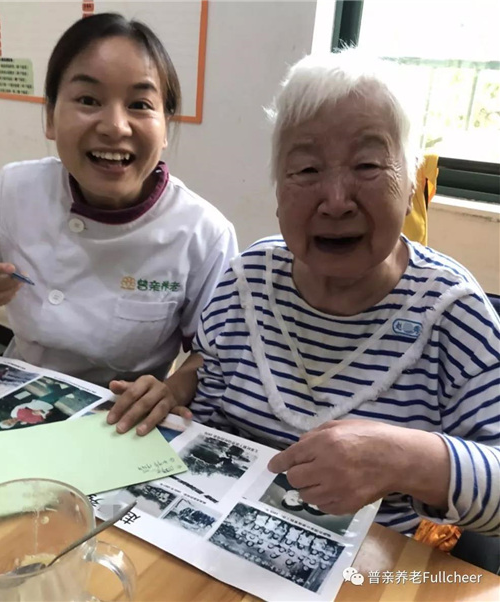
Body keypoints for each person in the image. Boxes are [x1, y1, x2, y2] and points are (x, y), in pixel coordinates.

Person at [113, 48, 499, 537]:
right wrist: (171, 391)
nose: (336, 201)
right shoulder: (248, 279)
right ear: (279, 191)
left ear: (411, 185)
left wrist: (404, 457)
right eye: (307, 170)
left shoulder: (453, 312)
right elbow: (208, 369)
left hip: (372, 565)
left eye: (367, 165)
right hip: (216, 543)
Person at [0, 14, 237, 423]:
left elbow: (213, 355)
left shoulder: (204, 234)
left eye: (140, 105)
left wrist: (171, 389)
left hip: (119, 418)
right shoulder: (17, 188)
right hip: (16, 396)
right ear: (50, 117)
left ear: (165, 128)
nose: (115, 127)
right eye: (88, 100)